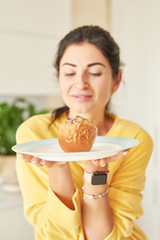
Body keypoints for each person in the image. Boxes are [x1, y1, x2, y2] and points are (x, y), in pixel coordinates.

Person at [16, 25, 153, 240]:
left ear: (116, 80)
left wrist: (97, 169)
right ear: (59, 78)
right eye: (70, 72)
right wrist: (59, 167)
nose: (80, 83)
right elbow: (54, 234)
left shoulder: (132, 139)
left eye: (95, 73)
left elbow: (101, 236)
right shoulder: (36, 135)